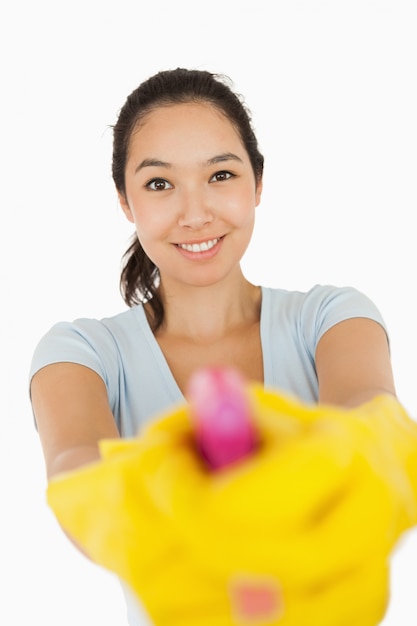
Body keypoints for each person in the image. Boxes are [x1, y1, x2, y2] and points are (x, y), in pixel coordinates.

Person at [29, 68, 397, 624]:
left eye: (220, 174)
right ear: (125, 202)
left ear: (258, 184)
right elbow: (77, 472)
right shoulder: (83, 352)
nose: (195, 213)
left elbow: (371, 425)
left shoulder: (332, 319)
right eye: (159, 184)